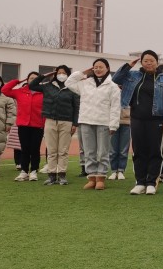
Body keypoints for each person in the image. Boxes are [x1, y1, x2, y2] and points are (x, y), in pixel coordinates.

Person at [113, 51, 163, 195]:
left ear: (157, 62)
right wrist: (128, 66)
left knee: (155, 151)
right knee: (138, 150)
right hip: (137, 118)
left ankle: (151, 182)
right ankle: (140, 182)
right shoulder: (133, 75)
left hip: (157, 120)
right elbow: (116, 79)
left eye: (151, 60)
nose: (149, 63)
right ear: (141, 62)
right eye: (145, 60)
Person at [65, 59, 121, 190]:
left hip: (103, 122)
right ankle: (91, 177)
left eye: (101, 67)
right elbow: (69, 82)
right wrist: (82, 73)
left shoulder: (112, 86)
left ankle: (100, 177)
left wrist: (113, 125)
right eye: (95, 67)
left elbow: (115, 107)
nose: (98, 69)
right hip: (86, 121)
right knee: (89, 151)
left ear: (107, 68)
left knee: (102, 152)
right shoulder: (85, 83)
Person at [29, 66, 80, 186]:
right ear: (55, 74)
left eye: (64, 73)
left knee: (63, 150)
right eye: (59, 73)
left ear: (68, 75)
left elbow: (76, 107)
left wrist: (75, 123)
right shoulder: (48, 86)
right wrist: (44, 76)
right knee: (52, 150)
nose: (61, 75)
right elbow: (32, 86)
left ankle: (62, 175)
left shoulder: (72, 88)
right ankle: (51, 175)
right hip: (50, 121)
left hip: (66, 122)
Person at [2, 73, 45, 182]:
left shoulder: (44, 92)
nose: (33, 80)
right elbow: (5, 90)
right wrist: (18, 81)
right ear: (27, 79)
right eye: (31, 78)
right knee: (24, 149)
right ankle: (24, 171)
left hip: (38, 125)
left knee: (35, 149)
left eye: (36, 78)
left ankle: (34, 171)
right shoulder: (20, 91)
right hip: (23, 125)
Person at [109, 104, 131, 180]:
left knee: (123, 150)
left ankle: (121, 170)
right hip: (113, 122)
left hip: (126, 122)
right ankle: (114, 171)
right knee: (112, 149)